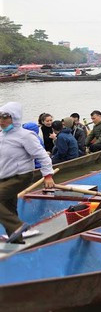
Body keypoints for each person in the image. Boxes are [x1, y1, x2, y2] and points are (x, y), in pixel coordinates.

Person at [0, 102, 56, 243]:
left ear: (15, 118)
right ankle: (17, 240)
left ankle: (18, 226)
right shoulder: (2, 135)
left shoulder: (25, 135)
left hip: (20, 176)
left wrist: (47, 176)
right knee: (8, 207)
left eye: (5, 117)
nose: (1, 120)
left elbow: (42, 155)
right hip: (4, 177)